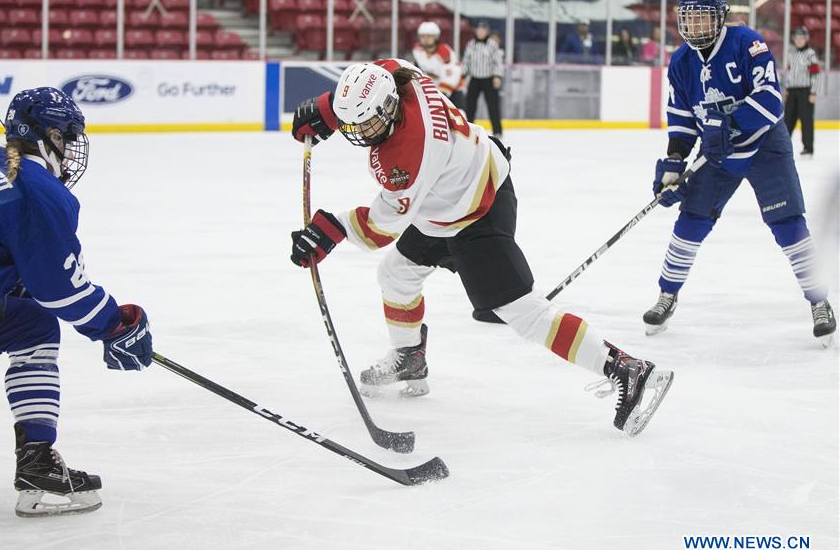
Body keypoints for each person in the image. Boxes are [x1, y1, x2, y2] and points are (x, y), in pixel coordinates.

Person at [288, 58, 675, 436]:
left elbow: (379, 228)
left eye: (367, 122)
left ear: (389, 107)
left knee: (525, 314)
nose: (359, 132)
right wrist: (328, 109)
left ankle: (625, 368)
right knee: (396, 273)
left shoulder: (407, 154)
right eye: (353, 123)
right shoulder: (399, 75)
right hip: (451, 194)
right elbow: (376, 75)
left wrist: (330, 229)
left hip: (478, 211)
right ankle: (409, 357)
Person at [0, 87, 153, 517]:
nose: (71, 151)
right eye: (68, 138)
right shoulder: (37, 188)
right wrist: (114, 324)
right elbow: (60, 288)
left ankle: (36, 461)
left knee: (33, 326)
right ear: (49, 136)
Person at [643, 0, 836, 346]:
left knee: (787, 223)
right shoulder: (681, 62)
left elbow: (771, 100)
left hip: (765, 146)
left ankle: (819, 300)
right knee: (691, 220)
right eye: (690, 19)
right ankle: (667, 294)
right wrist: (674, 162)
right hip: (717, 154)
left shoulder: (748, 43)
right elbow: (682, 119)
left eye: (703, 18)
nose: (695, 26)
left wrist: (730, 122)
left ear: (720, 18)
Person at [783, 26, 821, 157]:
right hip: (792, 91)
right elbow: (790, 73)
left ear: (806, 39)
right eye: (797, 38)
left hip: (805, 91)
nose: (799, 40)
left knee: (806, 120)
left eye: (802, 38)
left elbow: (816, 74)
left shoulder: (810, 54)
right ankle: (783, 145)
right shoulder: (792, 54)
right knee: (788, 119)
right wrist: (786, 88)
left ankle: (808, 148)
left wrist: (814, 92)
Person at [462, 21, 504, 138]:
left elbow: (498, 62)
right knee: (470, 106)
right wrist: (463, 75)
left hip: (488, 79)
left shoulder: (492, 45)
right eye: (479, 30)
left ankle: (497, 131)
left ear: (486, 32)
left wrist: (497, 76)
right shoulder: (471, 44)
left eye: (483, 30)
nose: (480, 32)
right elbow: (466, 61)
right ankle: (468, 130)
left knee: (493, 106)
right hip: (474, 79)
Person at [411, 21, 465, 109]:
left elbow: (453, 74)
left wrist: (441, 92)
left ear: (436, 37)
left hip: (453, 91)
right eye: (422, 36)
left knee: (458, 115)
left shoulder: (444, 52)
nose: (425, 39)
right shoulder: (417, 50)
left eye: (429, 36)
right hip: (433, 92)